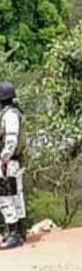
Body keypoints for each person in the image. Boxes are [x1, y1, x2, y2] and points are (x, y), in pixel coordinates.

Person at [0, 82, 27, 250]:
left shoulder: (9, 115)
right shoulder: (16, 112)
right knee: (16, 195)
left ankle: (14, 233)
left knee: (5, 196)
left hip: (8, 162)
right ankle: (20, 231)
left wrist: (4, 158)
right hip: (15, 160)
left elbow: (11, 139)